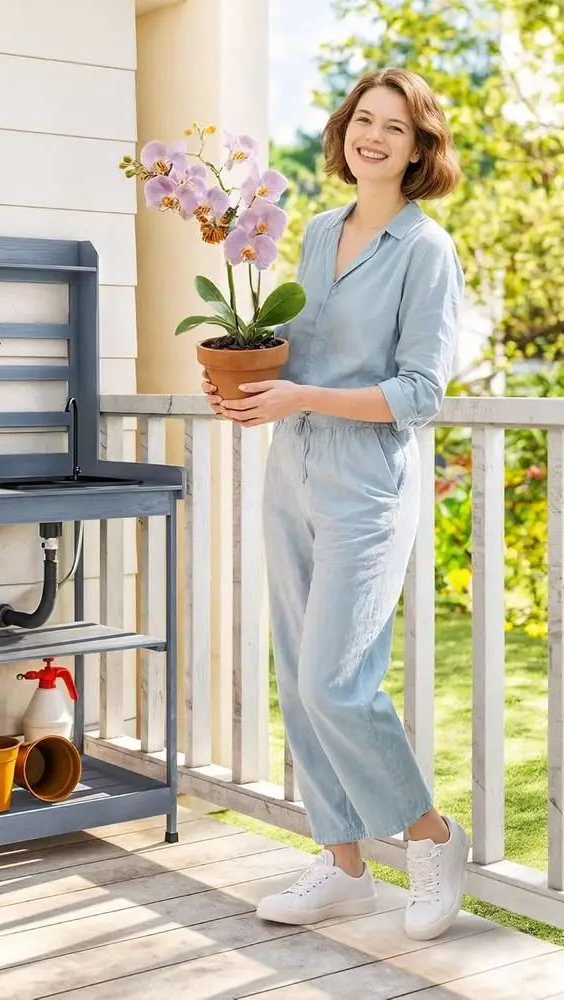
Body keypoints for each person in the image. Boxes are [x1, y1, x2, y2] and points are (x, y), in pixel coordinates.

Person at [202, 67, 469, 942]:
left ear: (420, 147)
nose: (375, 136)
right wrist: (245, 388)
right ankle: (345, 863)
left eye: (396, 126)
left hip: (368, 486)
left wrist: (301, 399)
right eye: (364, 119)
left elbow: (422, 391)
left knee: (336, 680)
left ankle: (430, 838)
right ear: (345, 131)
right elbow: (295, 360)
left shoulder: (426, 250)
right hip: (294, 475)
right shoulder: (317, 234)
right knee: (297, 674)